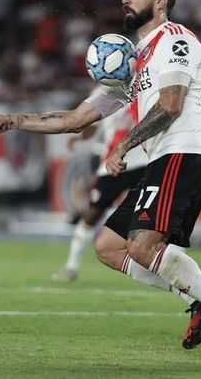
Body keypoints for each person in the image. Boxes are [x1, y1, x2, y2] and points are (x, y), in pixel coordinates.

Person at [0, 0, 201, 365]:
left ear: (160, 2)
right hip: (163, 158)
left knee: (144, 245)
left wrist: (124, 144)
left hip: (186, 152)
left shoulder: (175, 41)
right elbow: (77, 119)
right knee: (109, 247)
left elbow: (171, 104)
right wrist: (16, 120)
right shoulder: (132, 61)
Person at [52, 102, 148, 282]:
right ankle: (72, 266)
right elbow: (91, 121)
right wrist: (81, 138)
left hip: (144, 161)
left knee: (157, 213)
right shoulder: (107, 89)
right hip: (113, 163)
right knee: (93, 213)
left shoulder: (146, 83)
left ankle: (171, 261)